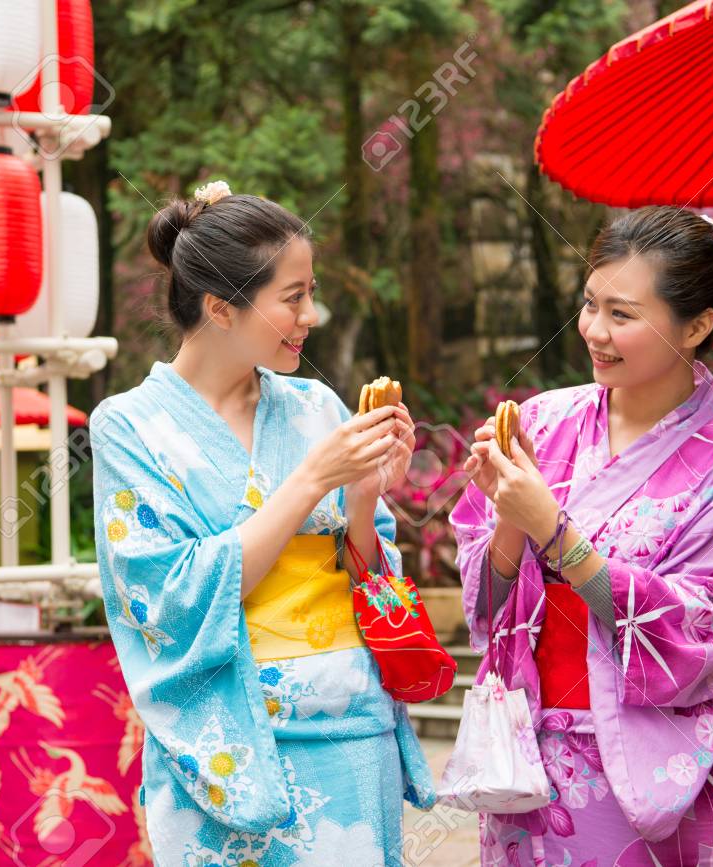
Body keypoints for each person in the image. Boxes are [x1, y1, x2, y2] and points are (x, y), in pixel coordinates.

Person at [91, 181, 436, 865]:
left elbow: (370, 577)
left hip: (349, 735)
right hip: (226, 753)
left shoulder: (317, 405)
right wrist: (311, 481)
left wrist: (362, 501)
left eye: (311, 290)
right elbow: (169, 598)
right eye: (293, 296)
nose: (313, 313)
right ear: (221, 307)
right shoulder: (128, 425)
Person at [452, 206, 713, 864]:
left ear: (697, 325)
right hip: (528, 756)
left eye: (622, 315)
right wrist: (513, 517)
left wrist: (552, 525)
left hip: (639, 765)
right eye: (589, 304)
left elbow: (699, 633)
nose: (594, 332)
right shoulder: (543, 423)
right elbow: (487, 606)